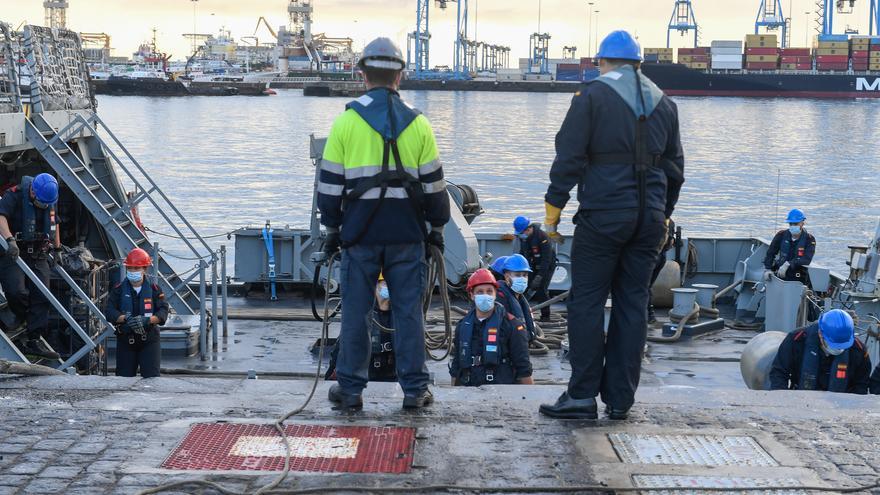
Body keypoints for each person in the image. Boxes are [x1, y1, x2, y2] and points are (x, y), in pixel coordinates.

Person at [539, 30, 685, 420]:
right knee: (632, 304)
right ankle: (621, 400)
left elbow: (568, 156)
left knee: (586, 301)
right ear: (638, 63)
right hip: (650, 220)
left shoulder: (591, 96)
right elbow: (675, 170)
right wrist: (663, 212)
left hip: (603, 216)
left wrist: (553, 211)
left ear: (603, 62)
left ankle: (582, 397)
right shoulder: (665, 103)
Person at [317, 37, 450, 411]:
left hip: (359, 235)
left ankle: (350, 390)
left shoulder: (345, 123)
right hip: (407, 235)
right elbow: (435, 186)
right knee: (409, 313)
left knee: (357, 313)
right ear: (401, 76)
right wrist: (437, 228)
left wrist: (331, 229)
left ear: (362, 75)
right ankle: (414, 390)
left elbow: (329, 187)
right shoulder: (419, 124)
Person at [0, 173, 62, 360]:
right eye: (41, 202)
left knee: (43, 294)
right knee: (16, 290)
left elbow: (54, 223)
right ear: (33, 192)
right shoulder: (14, 195)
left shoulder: (49, 198)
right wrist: (10, 240)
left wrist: (57, 248)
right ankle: (18, 319)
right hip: (14, 252)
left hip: (38, 252)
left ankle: (33, 338)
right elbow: (1, 217)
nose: (44, 206)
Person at [449, 269, 533, 386]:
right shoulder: (463, 326)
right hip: (469, 388)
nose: (485, 295)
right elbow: (457, 365)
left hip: (502, 389)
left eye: (489, 291)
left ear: (495, 294)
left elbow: (523, 367)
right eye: (480, 292)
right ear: (472, 295)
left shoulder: (512, 325)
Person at [769, 309, 871, 394]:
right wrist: (783, 400)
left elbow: (861, 385)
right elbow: (779, 372)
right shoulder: (796, 340)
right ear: (820, 334)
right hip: (800, 400)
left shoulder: (859, 351)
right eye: (833, 345)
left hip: (839, 404)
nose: (838, 349)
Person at [105, 248, 169, 378]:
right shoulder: (118, 290)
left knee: (152, 378)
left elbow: (163, 311)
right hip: (126, 340)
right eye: (130, 268)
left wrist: (148, 320)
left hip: (149, 340)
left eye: (136, 268)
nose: (133, 271)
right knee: (123, 379)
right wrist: (125, 318)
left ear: (144, 269)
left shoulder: (154, 290)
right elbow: (109, 311)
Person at [326, 273, 397, 382]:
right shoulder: (362, 315)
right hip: (366, 377)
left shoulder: (399, 317)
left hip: (392, 376)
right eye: (383, 285)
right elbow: (343, 346)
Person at [513, 215, 556, 321]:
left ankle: (545, 316)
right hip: (532, 265)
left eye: (522, 233)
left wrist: (539, 276)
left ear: (528, 229)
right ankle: (520, 313)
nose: (521, 235)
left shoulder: (543, 238)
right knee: (523, 287)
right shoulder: (525, 239)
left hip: (546, 266)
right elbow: (523, 255)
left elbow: (547, 260)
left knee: (541, 290)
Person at [763, 208, 816, 286]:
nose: (792, 226)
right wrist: (768, 269)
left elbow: (806, 259)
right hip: (780, 275)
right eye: (790, 224)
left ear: (802, 223)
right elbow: (771, 253)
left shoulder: (809, 239)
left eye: (795, 224)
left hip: (799, 278)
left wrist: (788, 264)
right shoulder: (781, 235)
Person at [496, 254, 537, 343]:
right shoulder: (499, 298)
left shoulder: (519, 298)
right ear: (507, 277)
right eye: (517, 275)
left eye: (525, 275)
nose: (522, 278)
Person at [648, 218, 676, 324]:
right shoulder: (670, 221)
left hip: (650, 257)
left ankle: (648, 315)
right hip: (661, 257)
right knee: (647, 286)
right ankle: (650, 315)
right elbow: (670, 242)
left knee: (642, 287)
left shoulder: (650, 217)